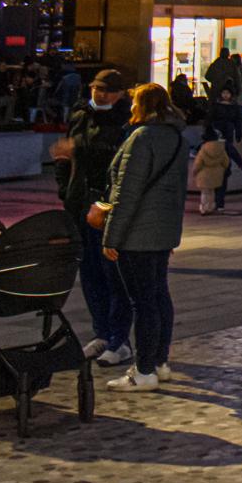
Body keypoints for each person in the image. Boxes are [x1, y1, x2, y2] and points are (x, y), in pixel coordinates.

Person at [100, 82, 188, 392]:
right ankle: (160, 362)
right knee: (159, 294)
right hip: (162, 231)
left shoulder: (142, 138)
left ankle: (144, 369)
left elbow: (127, 191)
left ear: (142, 105)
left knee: (142, 301)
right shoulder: (176, 137)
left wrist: (111, 236)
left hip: (137, 233)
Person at [52, 68, 135, 368]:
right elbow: (65, 156)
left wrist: (79, 149)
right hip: (79, 204)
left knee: (113, 275)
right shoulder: (80, 116)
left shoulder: (126, 122)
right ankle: (101, 332)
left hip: (106, 208)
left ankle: (119, 339)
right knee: (89, 274)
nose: (100, 95)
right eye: (97, 89)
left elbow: (118, 163)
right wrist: (65, 189)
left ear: (121, 94)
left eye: (108, 90)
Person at [191, 125, 234, 216]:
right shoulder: (221, 148)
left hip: (204, 175)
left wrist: (194, 172)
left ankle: (204, 208)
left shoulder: (203, 149)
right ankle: (211, 207)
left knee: (205, 192)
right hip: (217, 174)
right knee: (212, 192)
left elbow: (198, 163)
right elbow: (226, 162)